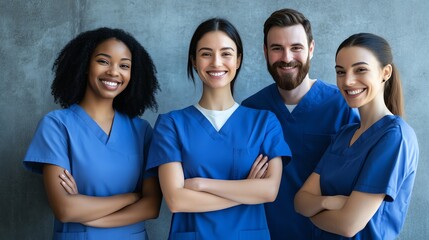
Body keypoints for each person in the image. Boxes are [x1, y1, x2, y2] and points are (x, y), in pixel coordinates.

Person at [146, 18, 292, 240]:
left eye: (226, 53)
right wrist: (246, 190)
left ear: (238, 60)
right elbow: (177, 201)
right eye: (206, 54)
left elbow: (269, 191)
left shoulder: (264, 122)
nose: (216, 62)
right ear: (194, 61)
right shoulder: (171, 124)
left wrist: (200, 184)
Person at [23, 27, 162, 239]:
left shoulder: (141, 131)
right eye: (103, 61)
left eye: (124, 65)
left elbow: (151, 206)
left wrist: (88, 214)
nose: (114, 72)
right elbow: (66, 209)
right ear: (85, 65)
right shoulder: (56, 126)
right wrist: (131, 197)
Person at [241, 8, 359, 239]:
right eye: (277, 48)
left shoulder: (342, 106)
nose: (286, 57)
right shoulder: (250, 110)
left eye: (296, 48)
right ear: (265, 52)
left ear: (311, 49)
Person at [294, 33, 419, 239]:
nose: (348, 81)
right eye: (340, 72)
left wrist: (314, 214)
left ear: (385, 72)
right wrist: (329, 202)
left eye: (360, 69)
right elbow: (300, 201)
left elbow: (348, 225)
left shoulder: (395, 137)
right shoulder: (345, 134)